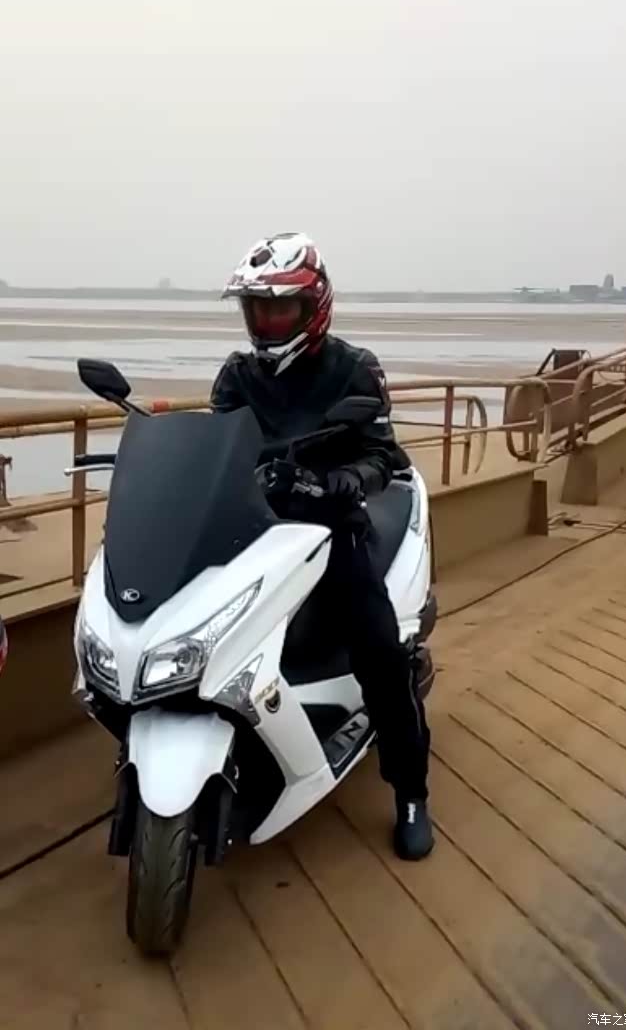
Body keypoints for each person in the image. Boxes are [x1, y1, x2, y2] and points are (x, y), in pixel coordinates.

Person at [210, 232, 434, 860]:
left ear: (313, 307)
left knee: (380, 652)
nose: (267, 321)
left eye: (280, 308)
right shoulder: (237, 375)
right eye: (258, 309)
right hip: (252, 529)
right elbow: (216, 448)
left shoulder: (353, 369)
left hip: (330, 529)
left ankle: (410, 791)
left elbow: (384, 454)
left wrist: (351, 478)